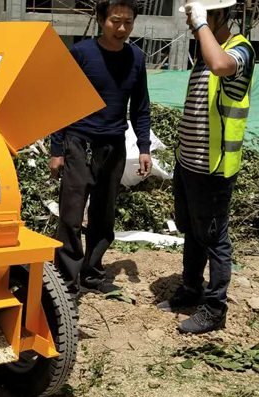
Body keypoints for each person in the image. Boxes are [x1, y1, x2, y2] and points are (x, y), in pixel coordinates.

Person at [157, 0, 255, 334]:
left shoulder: (239, 51)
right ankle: (191, 289)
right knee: (192, 232)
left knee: (214, 238)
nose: (190, 24)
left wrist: (200, 25)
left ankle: (215, 310)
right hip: (190, 162)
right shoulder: (205, 51)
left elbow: (220, 65)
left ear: (218, 15)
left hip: (214, 167)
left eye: (196, 17)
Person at [49, 0, 152, 295]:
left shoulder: (136, 58)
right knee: (71, 213)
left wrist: (144, 147)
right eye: (115, 21)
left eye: (128, 23)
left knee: (104, 214)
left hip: (113, 145)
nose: (122, 29)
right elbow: (61, 103)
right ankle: (67, 280)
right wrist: (57, 150)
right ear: (100, 19)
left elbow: (141, 107)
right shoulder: (81, 54)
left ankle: (92, 274)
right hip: (79, 142)